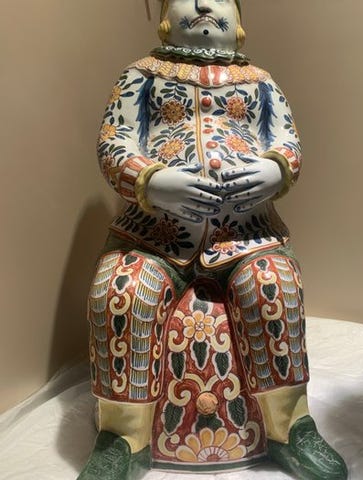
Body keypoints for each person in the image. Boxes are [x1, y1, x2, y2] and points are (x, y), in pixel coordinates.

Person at [79, 1, 348, 479]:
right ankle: (123, 436)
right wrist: (150, 181)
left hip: (248, 235)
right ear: (166, 17)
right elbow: (114, 141)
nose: (204, 4)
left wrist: (277, 169)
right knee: (121, 291)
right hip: (152, 236)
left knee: (273, 286)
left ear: (239, 23)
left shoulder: (261, 82)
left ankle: (290, 425)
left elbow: (287, 140)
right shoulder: (141, 76)